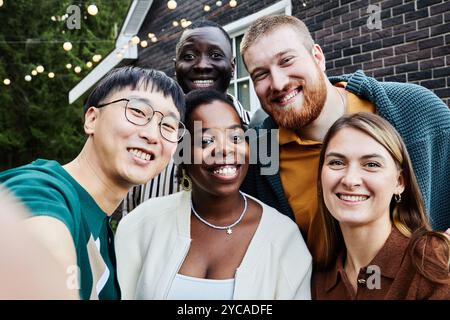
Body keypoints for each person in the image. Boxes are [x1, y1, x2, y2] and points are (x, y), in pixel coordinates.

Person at [239, 14, 450, 239]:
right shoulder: (259, 152)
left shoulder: (415, 109)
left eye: (287, 60)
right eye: (261, 74)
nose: (279, 83)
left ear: (317, 57)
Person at [0, 66, 185, 299]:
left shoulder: (106, 238)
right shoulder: (41, 190)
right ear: (92, 119)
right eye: (138, 112)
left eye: (168, 126)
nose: (153, 134)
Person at [115, 90, 312, 300]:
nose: (225, 149)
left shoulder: (283, 238)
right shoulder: (142, 224)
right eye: (206, 141)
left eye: (236, 137)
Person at [310, 112, 450, 299]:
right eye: (336, 162)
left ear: (399, 182)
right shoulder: (318, 279)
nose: (350, 180)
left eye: (371, 164)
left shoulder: (433, 259)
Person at [120, 20, 250, 215]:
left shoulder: (258, 132)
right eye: (189, 56)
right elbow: (130, 214)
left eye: (215, 55)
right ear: (176, 67)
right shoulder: (145, 136)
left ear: (232, 67)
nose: (202, 66)